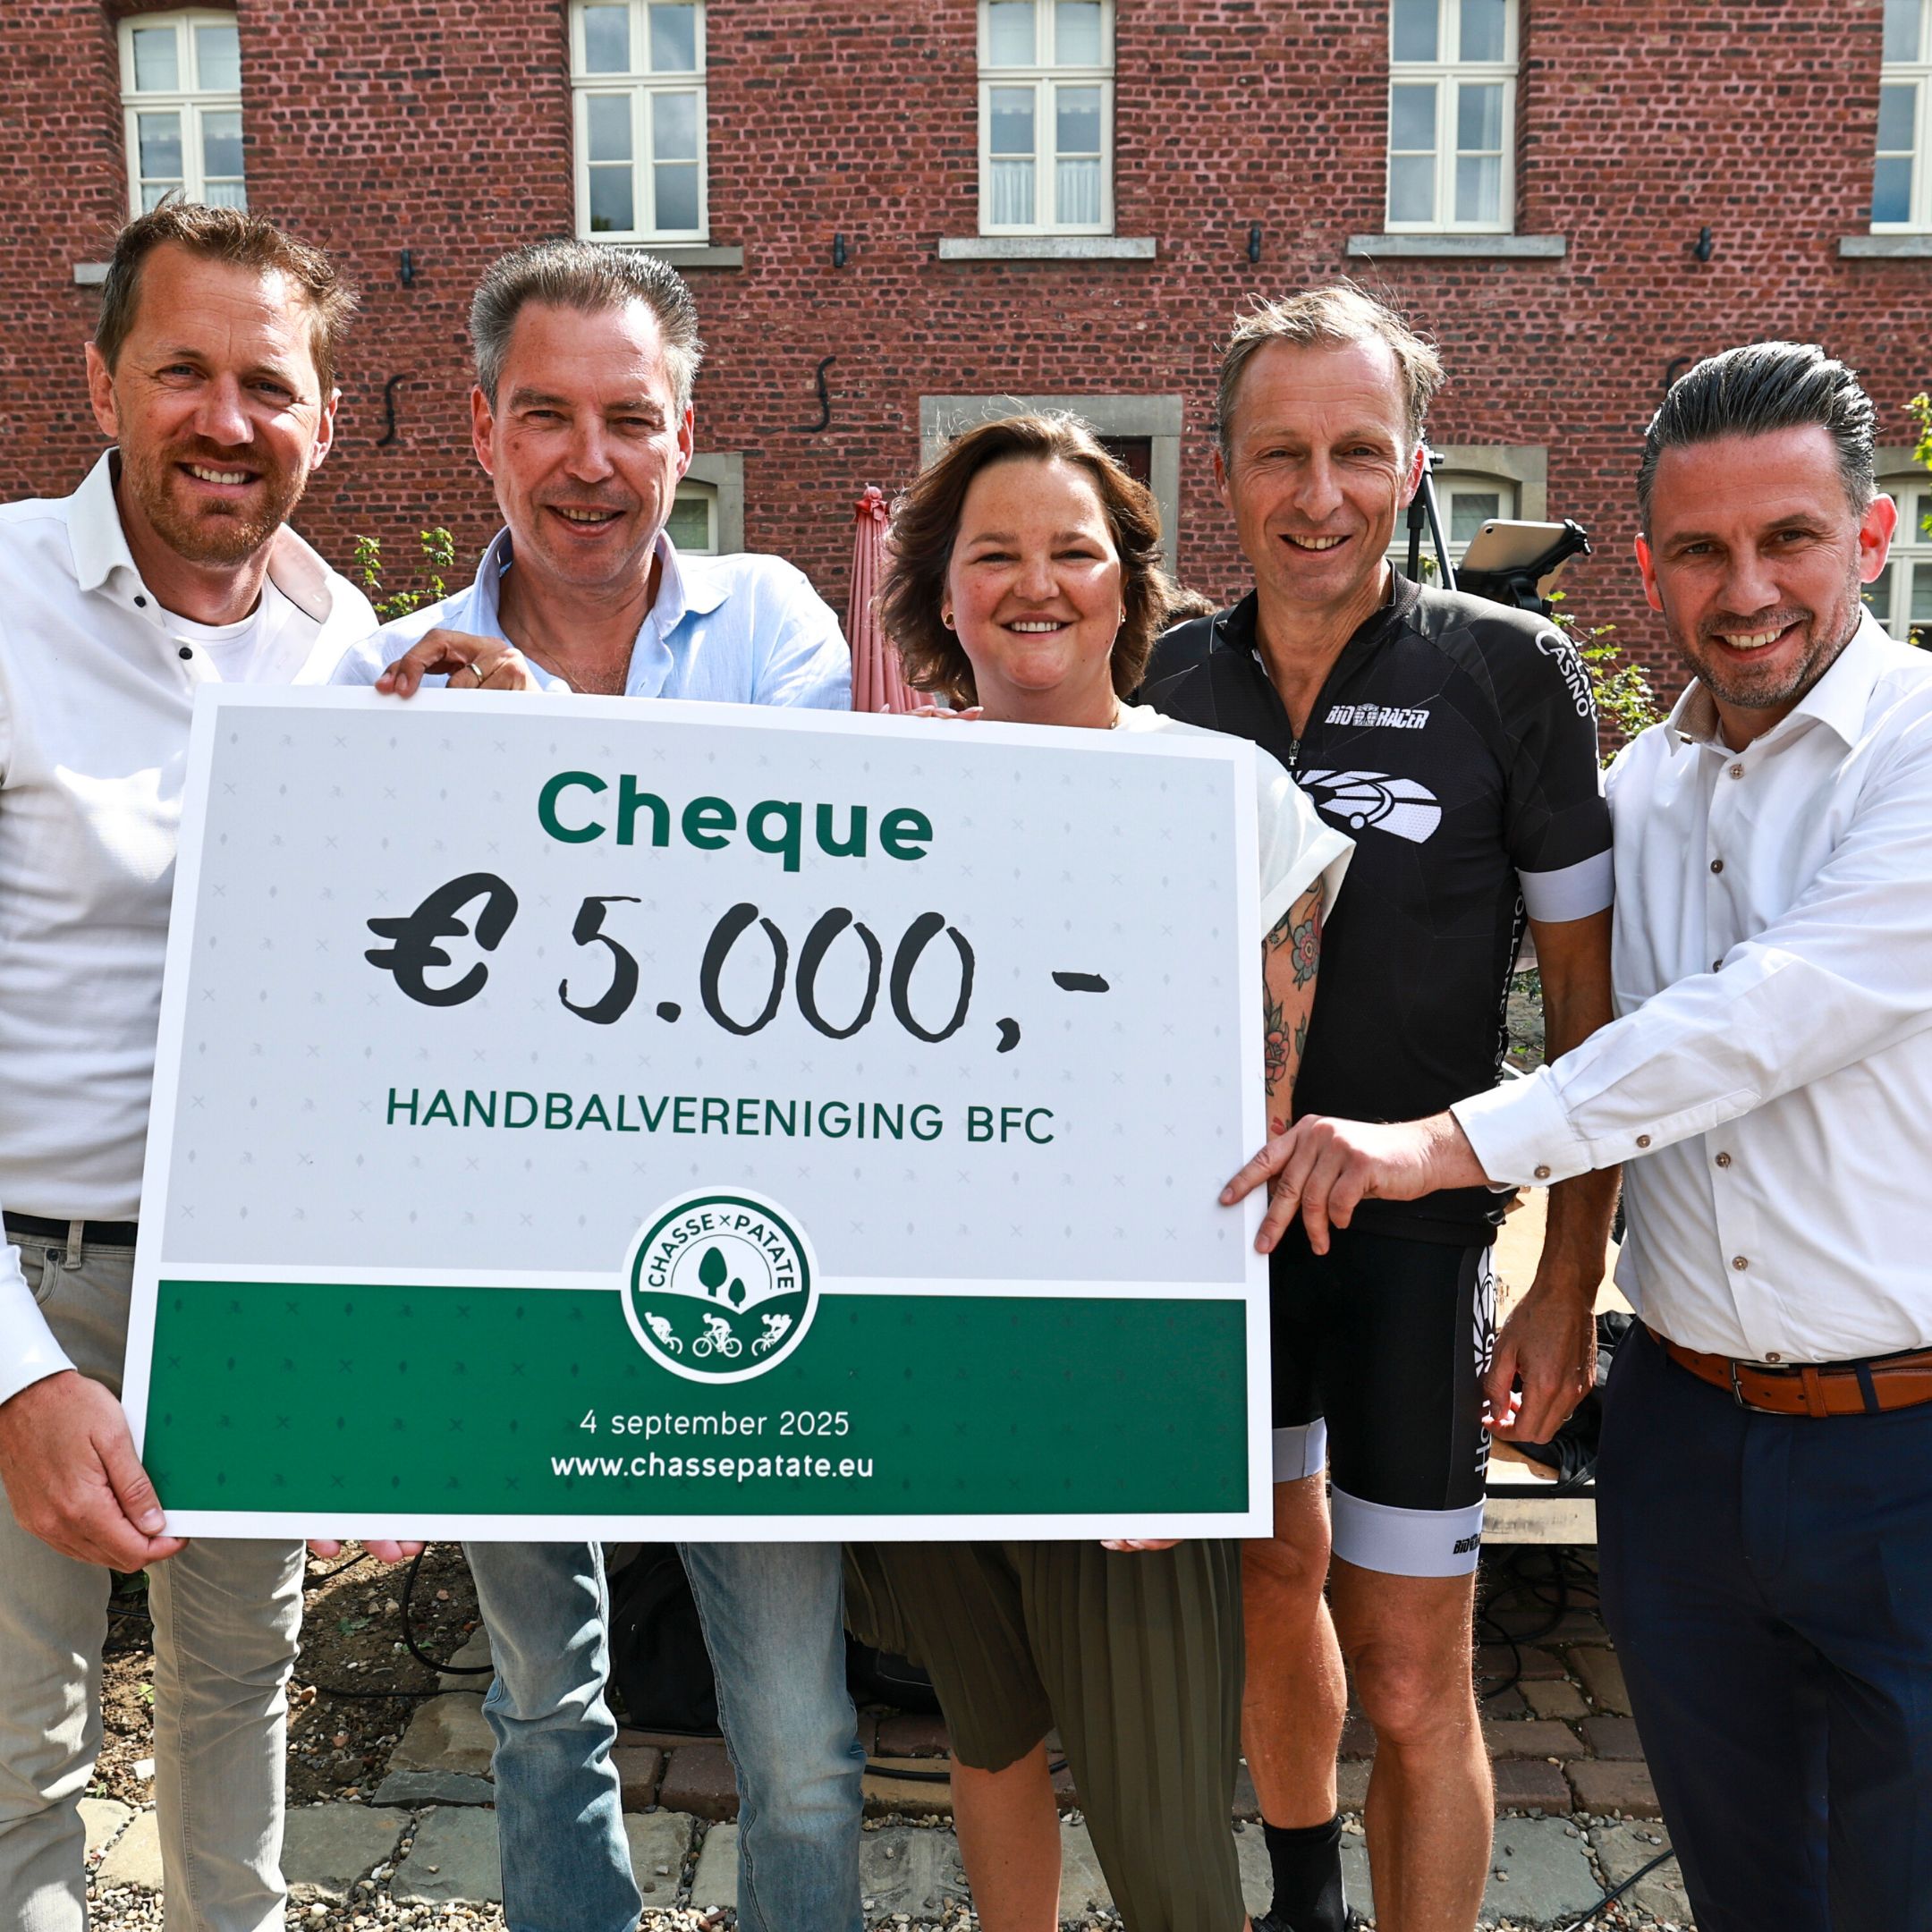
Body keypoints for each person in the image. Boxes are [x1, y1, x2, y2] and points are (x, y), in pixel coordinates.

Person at [1226, 341, 1932, 1932]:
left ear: (1873, 535)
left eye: (1790, 540)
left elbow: (1751, 1024)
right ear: (1650, 566)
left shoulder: (1920, 747)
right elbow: (1610, 1035)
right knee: (1751, 1885)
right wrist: (1575, 1288)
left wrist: (1439, 1149)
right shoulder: (1648, 790)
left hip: (1903, 1443)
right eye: (1699, 550)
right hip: (1681, 1434)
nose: (1745, 591)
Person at [331, 240, 860, 1932]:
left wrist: (539, 727)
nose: (590, 460)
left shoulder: (772, 619)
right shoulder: (387, 675)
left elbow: (790, 865)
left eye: (629, 418)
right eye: (547, 416)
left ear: (683, 433)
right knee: (544, 1708)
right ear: (482, 430)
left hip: (743, 1252)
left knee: (799, 1734)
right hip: (508, 1253)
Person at [1140, 287, 1618, 1932]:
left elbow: (1589, 1010)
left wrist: (1567, 1278)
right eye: (1280, 453)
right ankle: (1302, 1901)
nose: (1318, 492)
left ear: (1413, 465)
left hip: (1417, 1244)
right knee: (1274, 1582)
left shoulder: (1510, 672)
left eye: (1358, 450)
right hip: (1223, 1239)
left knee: (1414, 1671)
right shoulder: (1165, 675)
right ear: (1222, 469)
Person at [843, 411, 1352, 1932]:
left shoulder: (1227, 795)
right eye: (993, 552)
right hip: (919, 1351)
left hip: (1119, 1365)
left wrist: (1170, 1401)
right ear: (942, 592)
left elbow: (1256, 1131)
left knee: (1163, 1827)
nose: (1035, 583)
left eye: (1072, 550)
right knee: (986, 1736)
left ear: (1128, 583)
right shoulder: (864, 789)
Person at [0, 202, 375, 1932]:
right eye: (183, 373)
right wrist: (16, 1375)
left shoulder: (345, 644)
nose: (228, 421)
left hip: (250, 1290)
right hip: (36, 1277)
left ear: (324, 418)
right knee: (20, 1754)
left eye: (269, 385)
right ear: (102, 386)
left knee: (240, 1706)